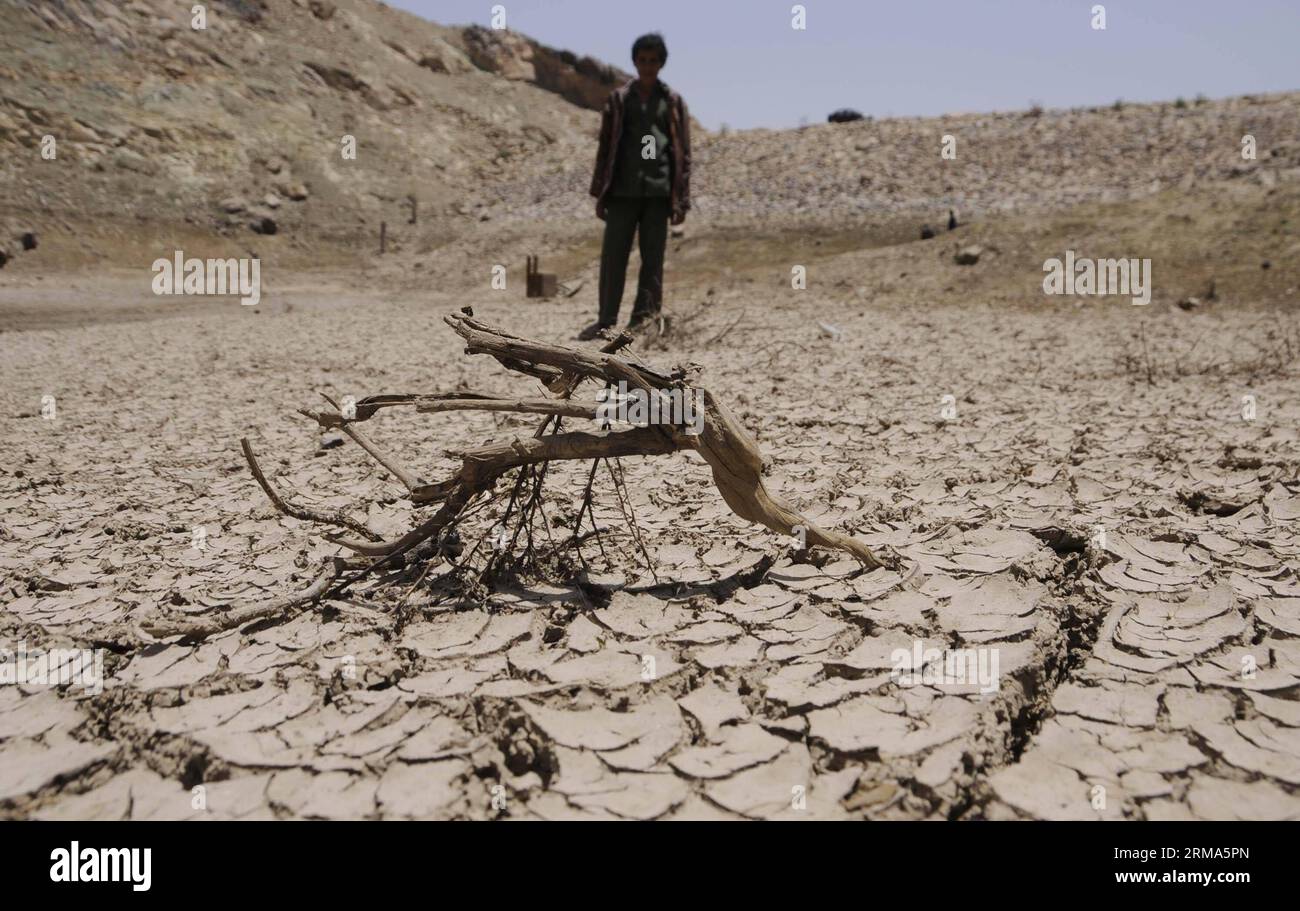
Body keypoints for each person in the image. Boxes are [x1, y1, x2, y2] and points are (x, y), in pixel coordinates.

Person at [579, 32, 692, 340]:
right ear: (634, 61)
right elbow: (605, 147)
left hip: (658, 192)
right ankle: (605, 320)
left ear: (662, 63)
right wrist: (599, 191)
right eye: (642, 60)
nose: (647, 66)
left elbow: (683, 151)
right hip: (622, 191)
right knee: (613, 256)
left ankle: (644, 320)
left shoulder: (671, 101)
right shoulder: (619, 100)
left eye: (653, 61)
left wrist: (682, 199)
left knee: (652, 258)